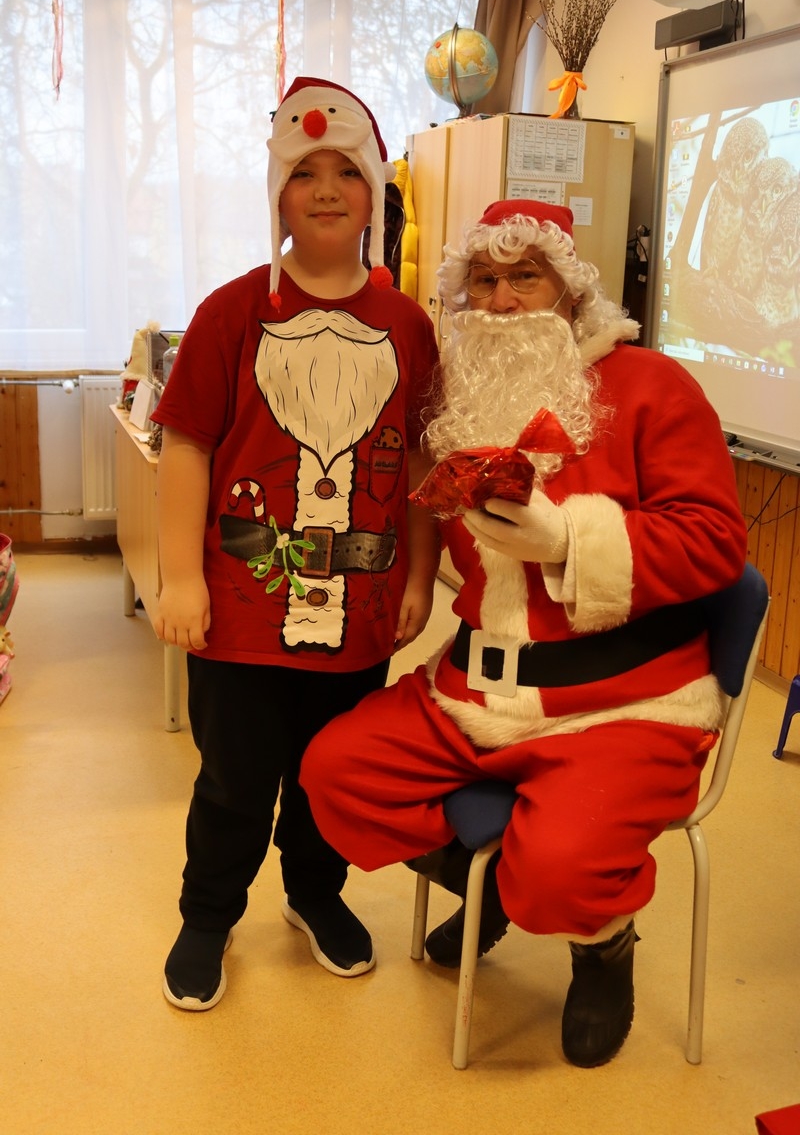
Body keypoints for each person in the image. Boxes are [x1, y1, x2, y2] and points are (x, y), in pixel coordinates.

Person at [300, 199, 748, 1067]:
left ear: (570, 293)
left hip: (623, 705)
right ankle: (502, 883)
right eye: (484, 280)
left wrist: (569, 539)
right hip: (476, 690)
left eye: (525, 278)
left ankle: (600, 941)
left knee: (560, 875)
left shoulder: (654, 386)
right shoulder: (464, 392)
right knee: (335, 777)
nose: (501, 301)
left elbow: (715, 542)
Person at [151, 77, 440, 1011]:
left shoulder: (408, 326)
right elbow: (187, 447)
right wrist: (180, 578)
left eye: (346, 172)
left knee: (329, 773)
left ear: (375, 191)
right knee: (235, 779)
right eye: (304, 172)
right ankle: (208, 913)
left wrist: (421, 575)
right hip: (237, 615)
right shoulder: (232, 313)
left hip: (360, 615)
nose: (325, 190)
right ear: (277, 192)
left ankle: (315, 893)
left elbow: (424, 461)